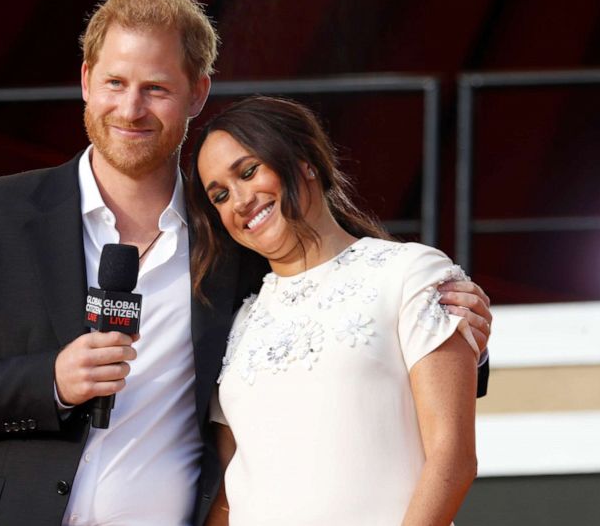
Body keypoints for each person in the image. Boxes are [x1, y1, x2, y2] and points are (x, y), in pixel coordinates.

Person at [0, 0, 493, 526]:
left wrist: (456, 332)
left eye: (157, 89)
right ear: (87, 79)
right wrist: (51, 382)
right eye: (116, 83)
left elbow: (332, 307)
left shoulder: (231, 234)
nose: (131, 108)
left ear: (198, 93)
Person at [188, 95, 480, 526]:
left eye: (249, 172)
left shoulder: (410, 273)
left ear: (304, 160)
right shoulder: (238, 323)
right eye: (220, 195)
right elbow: (228, 492)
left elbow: (452, 457)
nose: (239, 201)